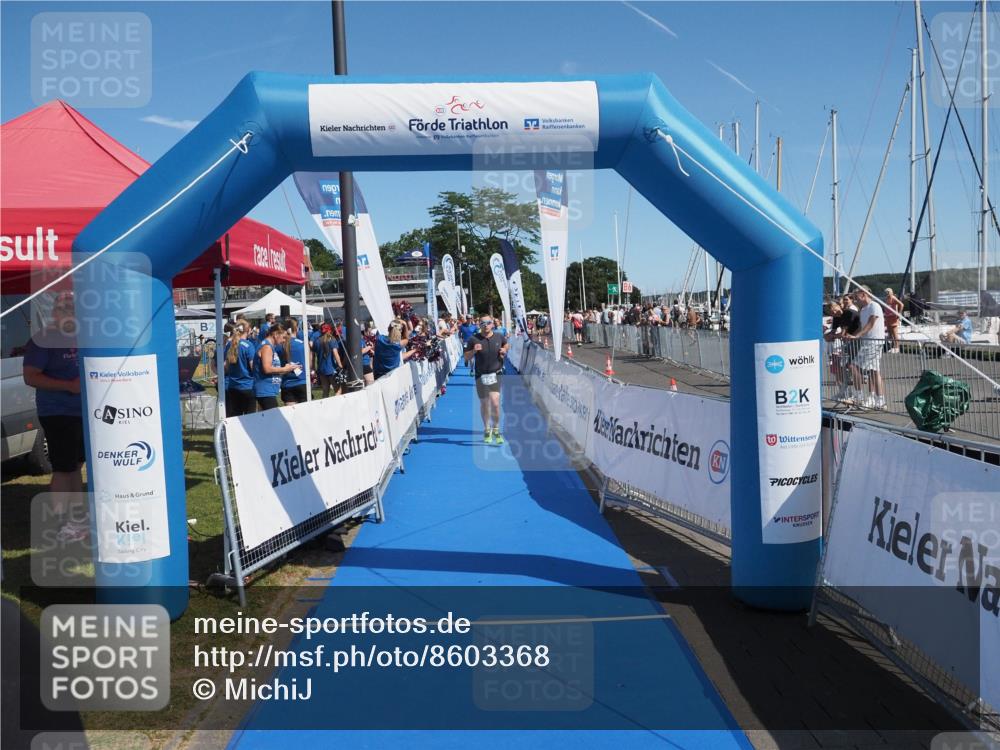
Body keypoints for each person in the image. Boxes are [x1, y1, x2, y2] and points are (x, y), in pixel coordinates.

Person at [22, 292, 87, 542]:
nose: (68, 311)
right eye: (63, 307)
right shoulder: (43, 339)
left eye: (72, 307)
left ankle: (76, 519)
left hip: (83, 412)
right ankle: (61, 522)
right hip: (57, 412)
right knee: (62, 467)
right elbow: (30, 376)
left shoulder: (82, 336)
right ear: (55, 312)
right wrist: (68, 385)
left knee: (75, 465)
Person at [464, 315, 509, 444]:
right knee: (484, 403)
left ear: (492, 324)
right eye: (483, 323)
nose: (486, 325)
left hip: (496, 373)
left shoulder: (499, 336)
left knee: (495, 402)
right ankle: (486, 429)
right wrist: (473, 351)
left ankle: (496, 429)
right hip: (481, 375)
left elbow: (507, 345)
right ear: (479, 325)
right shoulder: (474, 339)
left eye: (488, 323)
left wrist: (504, 349)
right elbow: (466, 357)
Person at [845, 287, 886, 410]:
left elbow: (871, 323)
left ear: (863, 294)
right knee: (872, 371)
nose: (855, 299)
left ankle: (867, 398)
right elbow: (862, 326)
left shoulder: (874, 306)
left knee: (858, 367)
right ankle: (875, 399)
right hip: (867, 343)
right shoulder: (863, 310)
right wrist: (850, 335)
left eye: (856, 296)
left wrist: (856, 336)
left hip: (874, 342)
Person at [253, 323, 298, 410]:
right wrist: (284, 368)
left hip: (269, 390)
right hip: (265, 391)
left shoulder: (270, 347)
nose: (284, 340)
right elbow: (267, 369)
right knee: (273, 420)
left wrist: (287, 369)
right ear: (276, 334)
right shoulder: (267, 347)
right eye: (283, 337)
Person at [222, 318, 256, 416]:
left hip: (233, 386)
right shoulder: (249, 345)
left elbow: (226, 367)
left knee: (236, 416)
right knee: (250, 417)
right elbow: (252, 366)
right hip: (247, 386)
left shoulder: (229, 345)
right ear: (248, 330)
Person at [279, 318, 310, 405]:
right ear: (296, 329)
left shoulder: (280, 346)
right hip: (302, 382)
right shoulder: (303, 344)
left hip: (287, 384)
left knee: (290, 416)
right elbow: (309, 364)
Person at [315, 323, 343, 398]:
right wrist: (340, 365)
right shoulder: (332, 339)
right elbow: (335, 354)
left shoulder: (317, 341)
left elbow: (313, 355)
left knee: (325, 390)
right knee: (338, 390)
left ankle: (325, 408)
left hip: (321, 369)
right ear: (329, 330)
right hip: (331, 369)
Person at [884, 288, 904, 352]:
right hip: (888, 317)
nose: (887, 293)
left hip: (893, 318)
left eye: (888, 292)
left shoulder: (893, 298)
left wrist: (899, 314)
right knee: (890, 333)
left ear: (891, 292)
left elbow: (901, 304)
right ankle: (893, 346)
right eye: (886, 292)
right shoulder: (886, 299)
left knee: (895, 333)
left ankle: (897, 347)